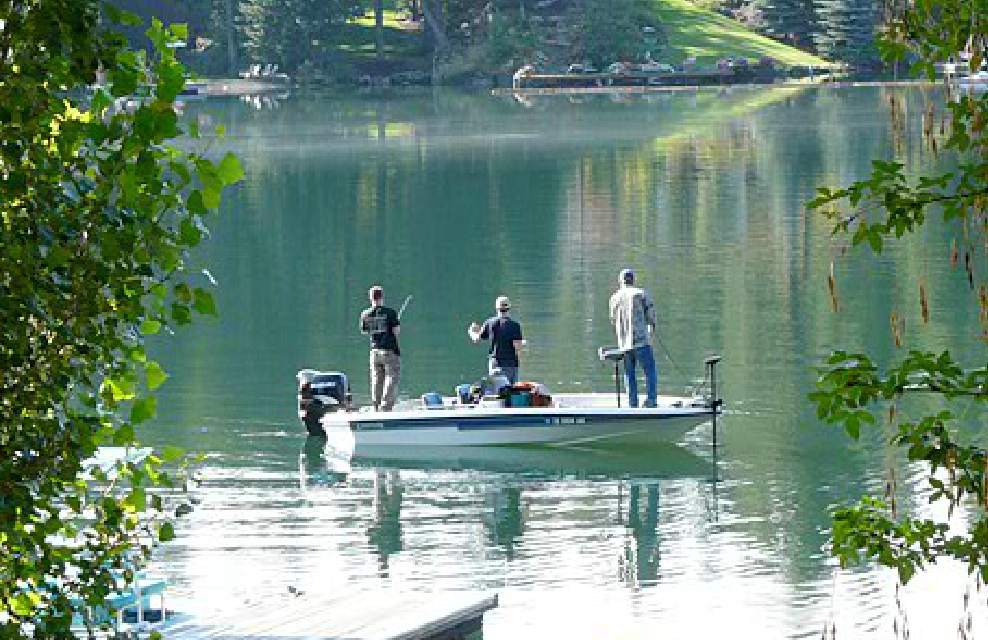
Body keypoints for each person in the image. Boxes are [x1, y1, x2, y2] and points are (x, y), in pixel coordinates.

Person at [609, 269, 658, 408]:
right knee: (650, 371)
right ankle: (651, 401)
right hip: (641, 340)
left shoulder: (614, 298)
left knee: (629, 375)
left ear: (620, 281)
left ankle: (632, 404)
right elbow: (651, 314)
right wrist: (651, 326)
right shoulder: (640, 293)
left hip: (624, 343)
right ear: (633, 280)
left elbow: (612, 319)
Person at [359, 285, 401, 411]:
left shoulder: (365, 314)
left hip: (374, 351)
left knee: (377, 380)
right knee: (392, 377)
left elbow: (364, 330)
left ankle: (376, 406)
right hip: (389, 350)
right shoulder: (390, 313)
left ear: (370, 298)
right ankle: (385, 406)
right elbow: (396, 331)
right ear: (382, 296)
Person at [467, 296, 523, 385]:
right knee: (512, 392)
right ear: (509, 308)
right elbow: (518, 348)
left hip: (495, 365)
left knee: (497, 392)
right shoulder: (515, 325)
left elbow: (476, 339)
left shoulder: (489, 323)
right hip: (511, 365)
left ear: (496, 308)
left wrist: (471, 331)